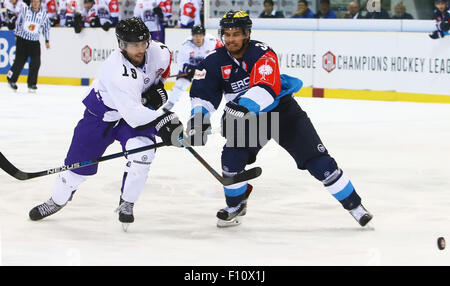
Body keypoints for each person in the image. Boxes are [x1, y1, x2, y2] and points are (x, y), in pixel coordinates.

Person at [187, 10, 373, 228]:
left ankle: (355, 207)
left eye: (236, 34)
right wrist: (198, 122)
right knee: (231, 161)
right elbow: (202, 94)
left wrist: (242, 106)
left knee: (318, 162)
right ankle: (236, 205)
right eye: (226, 34)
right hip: (250, 121)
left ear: (247, 34)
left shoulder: (262, 54)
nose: (230, 39)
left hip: (282, 112)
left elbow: (266, 88)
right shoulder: (214, 61)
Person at [28, 17, 184, 229]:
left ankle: (127, 202)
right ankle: (56, 201)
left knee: (143, 153)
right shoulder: (115, 71)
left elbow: (160, 75)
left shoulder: (161, 52)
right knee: (75, 170)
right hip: (100, 117)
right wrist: (164, 120)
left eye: (142, 43)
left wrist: (156, 92)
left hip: (131, 113)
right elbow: (135, 117)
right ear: (121, 45)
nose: (140, 49)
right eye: (133, 45)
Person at [162, 25, 222, 112]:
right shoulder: (186, 44)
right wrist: (188, 69)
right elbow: (181, 61)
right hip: (191, 67)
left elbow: (221, 53)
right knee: (181, 84)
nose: (197, 38)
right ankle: (171, 102)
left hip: (206, 68)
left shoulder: (212, 41)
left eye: (200, 35)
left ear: (204, 35)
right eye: (195, 35)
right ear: (192, 35)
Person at [7, 0, 50, 93]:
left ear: (39, 3)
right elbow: (19, 22)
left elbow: (46, 27)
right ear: (31, 2)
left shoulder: (43, 15)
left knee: (36, 62)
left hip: (34, 42)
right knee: (20, 61)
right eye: (33, 1)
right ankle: (11, 78)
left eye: (37, 1)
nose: (35, 3)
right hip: (22, 40)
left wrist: (47, 40)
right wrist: (16, 34)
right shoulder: (25, 10)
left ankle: (32, 83)